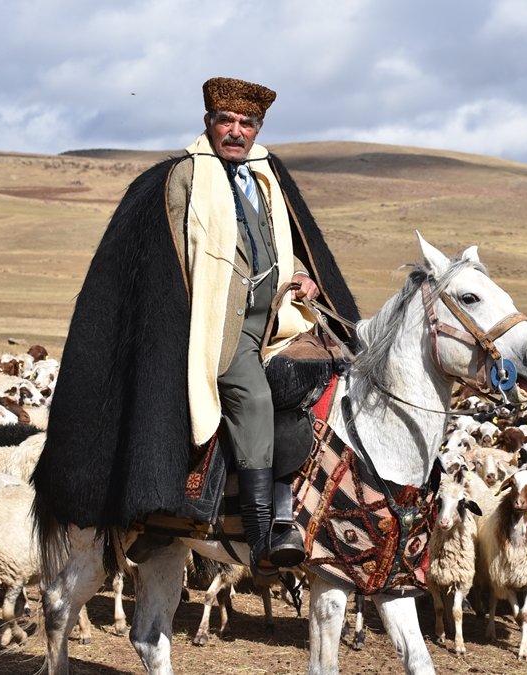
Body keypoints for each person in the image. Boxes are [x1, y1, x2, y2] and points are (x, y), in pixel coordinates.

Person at [32, 77, 360, 576]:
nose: (235, 131)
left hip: (279, 321)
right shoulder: (180, 178)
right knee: (251, 397)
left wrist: (302, 276)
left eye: (246, 123)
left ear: (258, 128)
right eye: (226, 121)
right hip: (217, 331)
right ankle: (263, 530)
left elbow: (289, 244)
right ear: (208, 123)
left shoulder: (268, 177)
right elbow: (159, 262)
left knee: (333, 379)